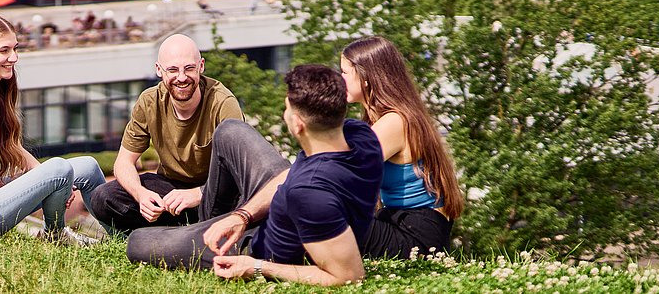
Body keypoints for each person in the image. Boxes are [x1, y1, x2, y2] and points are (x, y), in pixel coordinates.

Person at [126, 64, 384, 286]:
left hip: (259, 245)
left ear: (298, 124)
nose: (285, 115)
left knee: (138, 242)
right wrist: (241, 215)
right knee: (230, 130)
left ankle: (201, 231)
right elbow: (290, 178)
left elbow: (348, 275)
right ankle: (219, 217)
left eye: (287, 109)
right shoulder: (360, 135)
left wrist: (255, 267)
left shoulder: (310, 195)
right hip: (277, 208)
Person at [0, 14, 106, 244]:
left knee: (87, 166)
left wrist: (58, 180)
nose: (13, 57)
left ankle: (119, 237)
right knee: (58, 167)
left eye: (15, 49)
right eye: (4, 50)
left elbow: (12, 147)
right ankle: (55, 235)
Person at [90, 34, 244, 233]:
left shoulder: (223, 103)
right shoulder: (149, 101)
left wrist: (198, 194)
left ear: (201, 66)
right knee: (104, 198)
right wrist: (141, 195)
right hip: (171, 190)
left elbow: (240, 171)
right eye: (172, 70)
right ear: (159, 70)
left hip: (215, 192)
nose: (181, 77)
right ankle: (177, 233)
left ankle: (180, 233)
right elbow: (123, 163)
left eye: (189, 68)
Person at [340, 36, 464, 258]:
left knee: (322, 214)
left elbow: (340, 172)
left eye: (344, 73)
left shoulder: (395, 122)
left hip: (417, 234)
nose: (340, 80)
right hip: (401, 221)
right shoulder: (381, 120)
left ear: (366, 77)